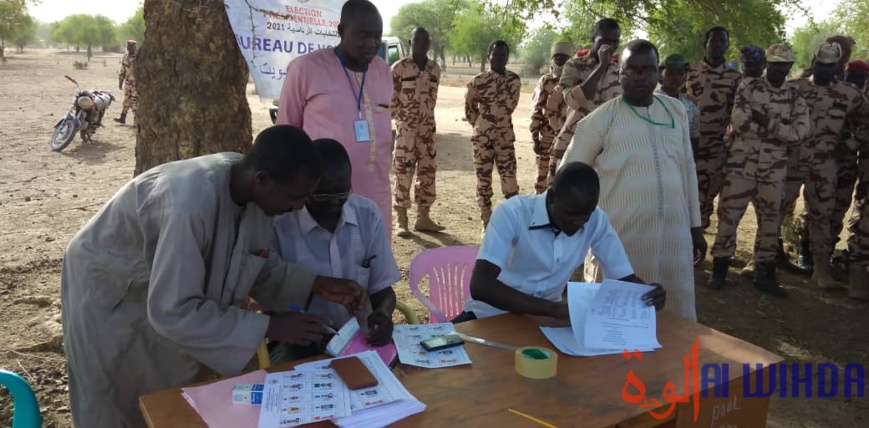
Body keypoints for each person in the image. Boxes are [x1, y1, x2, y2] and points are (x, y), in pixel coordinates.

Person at [61, 126, 368, 428]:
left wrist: (317, 284)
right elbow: (175, 310)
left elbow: (254, 264)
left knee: (169, 391)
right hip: (112, 289)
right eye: (295, 197)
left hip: (161, 295)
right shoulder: (188, 205)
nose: (299, 207)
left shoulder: (256, 194)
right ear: (262, 180)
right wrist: (272, 326)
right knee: (117, 396)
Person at [560, 40, 705, 321]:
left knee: (675, 317)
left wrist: (695, 227)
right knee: (617, 319)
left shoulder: (675, 112)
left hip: (675, 238)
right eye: (632, 70)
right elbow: (568, 178)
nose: (640, 77)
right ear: (620, 73)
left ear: (658, 73)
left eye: (647, 69)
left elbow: (687, 168)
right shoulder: (600, 121)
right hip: (621, 240)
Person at [455, 162, 667, 322]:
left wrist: (647, 293)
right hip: (490, 316)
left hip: (546, 323)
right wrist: (552, 309)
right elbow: (481, 286)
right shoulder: (513, 213)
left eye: (586, 214)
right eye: (571, 214)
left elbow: (623, 275)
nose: (580, 222)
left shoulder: (595, 219)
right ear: (552, 196)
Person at [270, 138, 399, 363]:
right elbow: (269, 300)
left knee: (401, 380)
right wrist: (314, 334)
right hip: (299, 341)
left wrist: (382, 315)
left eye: (341, 194)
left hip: (360, 339)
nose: (333, 204)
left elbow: (383, 289)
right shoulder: (280, 224)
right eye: (321, 196)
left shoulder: (367, 215)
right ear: (306, 188)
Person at [277, 0, 394, 239]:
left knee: (372, 262)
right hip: (323, 196)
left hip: (377, 192)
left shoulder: (383, 70)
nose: (372, 44)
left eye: (377, 36)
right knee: (325, 264)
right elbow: (286, 135)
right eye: (363, 36)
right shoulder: (305, 69)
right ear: (341, 31)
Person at [708, 45, 810, 297]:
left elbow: (798, 134)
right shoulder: (749, 87)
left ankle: (765, 273)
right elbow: (740, 122)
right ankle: (719, 269)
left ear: (789, 67)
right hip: (742, 165)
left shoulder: (795, 97)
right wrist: (779, 131)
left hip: (773, 170)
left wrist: (766, 121)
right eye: (774, 64)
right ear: (767, 64)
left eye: (783, 65)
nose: (778, 69)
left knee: (770, 221)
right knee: (729, 216)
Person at [783, 42, 869, 289]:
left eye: (830, 66)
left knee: (822, 216)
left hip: (824, 165)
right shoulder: (795, 89)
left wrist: (852, 143)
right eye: (821, 64)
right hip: (793, 160)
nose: (825, 70)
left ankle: (821, 271)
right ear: (813, 63)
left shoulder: (850, 94)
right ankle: (763, 261)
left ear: (838, 67)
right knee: (775, 209)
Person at [547, 19, 622, 184]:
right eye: (604, 40)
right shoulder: (574, 65)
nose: (609, 46)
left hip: (608, 144)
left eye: (614, 41)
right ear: (593, 38)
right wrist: (602, 66)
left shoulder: (620, 70)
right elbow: (573, 101)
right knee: (561, 190)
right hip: (574, 139)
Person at [685, 27, 742, 229]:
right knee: (687, 196)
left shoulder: (735, 78)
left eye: (722, 41)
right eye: (713, 41)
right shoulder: (689, 71)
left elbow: (737, 113)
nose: (717, 45)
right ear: (705, 44)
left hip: (715, 149)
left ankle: (697, 244)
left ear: (727, 45)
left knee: (706, 198)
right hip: (687, 145)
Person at [391, 27, 444, 237]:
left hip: (428, 130)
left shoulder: (435, 69)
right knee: (403, 172)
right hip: (406, 131)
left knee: (428, 172)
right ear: (410, 42)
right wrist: (403, 123)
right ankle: (401, 219)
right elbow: (391, 102)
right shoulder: (399, 68)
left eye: (425, 40)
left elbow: (433, 99)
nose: (422, 44)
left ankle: (423, 217)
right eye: (417, 40)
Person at [465, 40, 521, 230]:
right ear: (489, 56)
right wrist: (482, 126)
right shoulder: (477, 82)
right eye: (495, 55)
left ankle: (512, 223)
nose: (499, 59)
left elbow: (511, 106)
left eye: (503, 56)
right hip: (482, 140)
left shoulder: (514, 81)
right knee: (483, 181)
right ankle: (486, 223)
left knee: (510, 181)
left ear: (507, 58)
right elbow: (470, 109)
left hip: (505, 138)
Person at [831, 61, 869, 252]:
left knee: (840, 207)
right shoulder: (834, 93)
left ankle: (835, 251)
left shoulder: (862, 100)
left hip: (848, 163)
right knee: (816, 208)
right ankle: (806, 250)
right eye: (852, 75)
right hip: (822, 161)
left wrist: (851, 144)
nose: (856, 80)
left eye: (861, 77)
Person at [530, 41, 573, 194]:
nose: (560, 60)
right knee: (542, 179)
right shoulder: (545, 81)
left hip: (568, 136)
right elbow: (537, 109)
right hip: (547, 137)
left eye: (564, 57)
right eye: (557, 56)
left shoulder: (575, 80)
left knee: (563, 177)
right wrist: (535, 137)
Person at [657, 53, 701, 153]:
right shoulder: (651, 102)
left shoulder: (691, 106)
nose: (675, 77)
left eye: (680, 73)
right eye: (670, 73)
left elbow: (693, 140)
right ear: (660, 75)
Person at [113, 40, 138, 125]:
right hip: (128, 83)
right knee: (126, 99)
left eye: (131, 47)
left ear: (135, 47)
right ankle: (122, 118)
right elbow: (123, 70)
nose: (129, 48)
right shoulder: (125, 57)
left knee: (135, 101)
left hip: (136, 83)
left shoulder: (139, 57)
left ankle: (136, 121)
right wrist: (120, 81)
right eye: (128, 47)